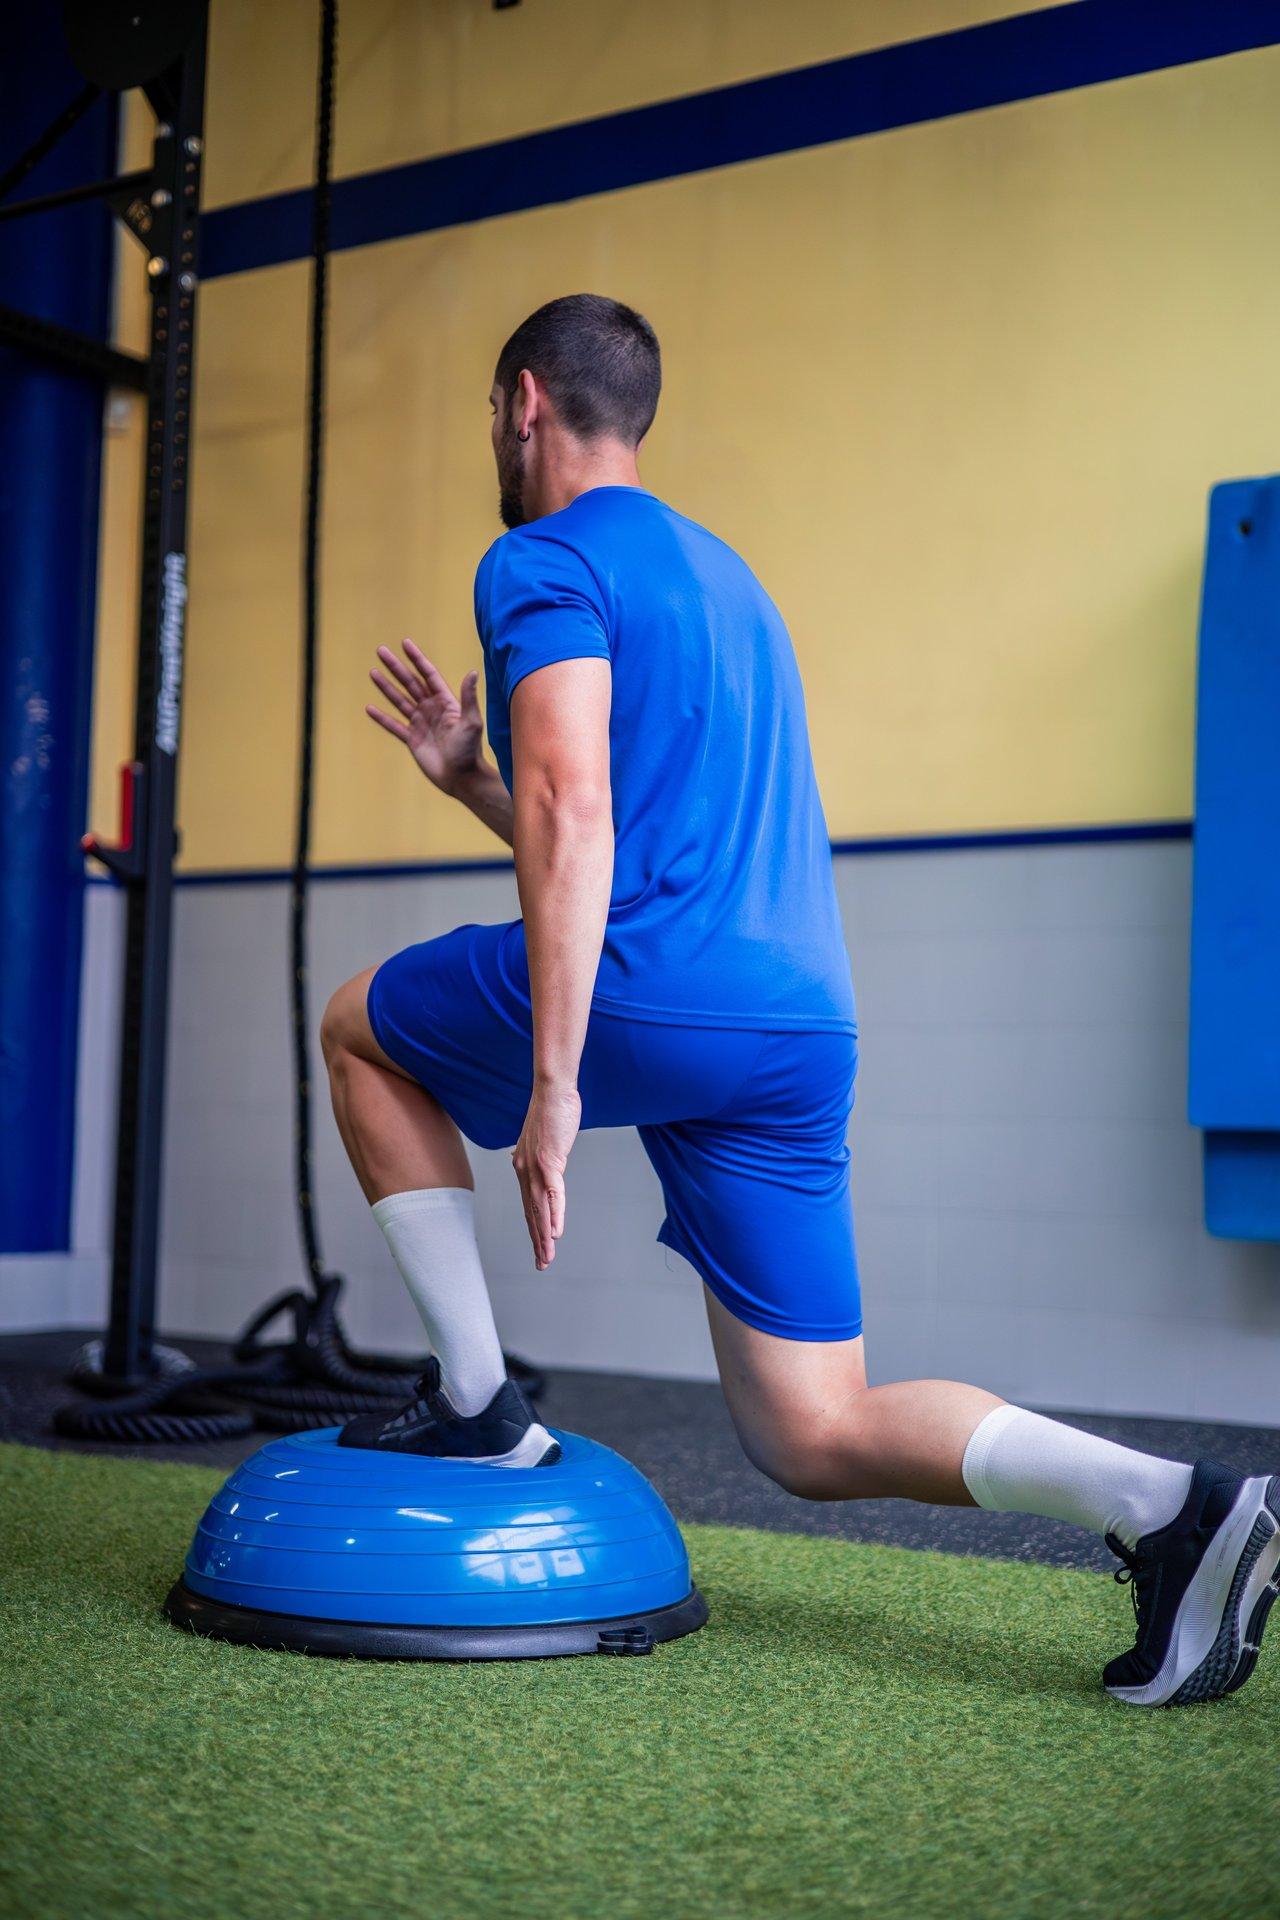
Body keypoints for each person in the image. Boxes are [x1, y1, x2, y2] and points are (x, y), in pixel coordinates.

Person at [321, 293, 1277, 1706]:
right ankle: (1176, 1507)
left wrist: (552, 1085)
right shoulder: (731, 584)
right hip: (795, 1026)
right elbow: (619, 831)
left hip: (651, 996)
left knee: (354, 1024)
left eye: (490, 413)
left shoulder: (537, 560)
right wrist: (474, 777)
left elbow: (578, 821)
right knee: (810, 1433)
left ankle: (475, 1402)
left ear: (524, 403)